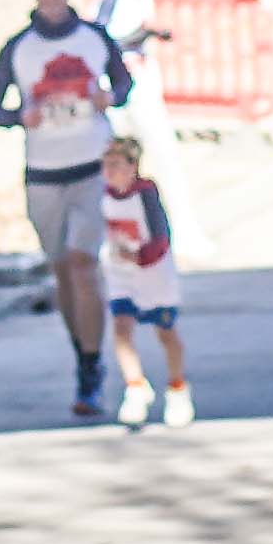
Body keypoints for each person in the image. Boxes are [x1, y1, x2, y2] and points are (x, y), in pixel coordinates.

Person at [0, 0, 135, 420]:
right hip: (44, 173)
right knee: (63, 271)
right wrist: (16, 118)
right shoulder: (19, 48)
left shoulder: (94, 38)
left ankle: (92, 366)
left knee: (84, 264)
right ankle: (82, 348)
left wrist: (109, 96)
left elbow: (123, 84)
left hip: (90, 167)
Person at [94, 132, 192, 427]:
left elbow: (161, 235)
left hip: (153, 275)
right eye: (105, 164)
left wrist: (140, 257)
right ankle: (135, 386)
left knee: (166, 332)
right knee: (122, 329)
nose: (109, 171)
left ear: (132, 166)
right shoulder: (101, 196)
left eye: (116, 164)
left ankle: (177, 388)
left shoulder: (146, 193)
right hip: (121, 276)